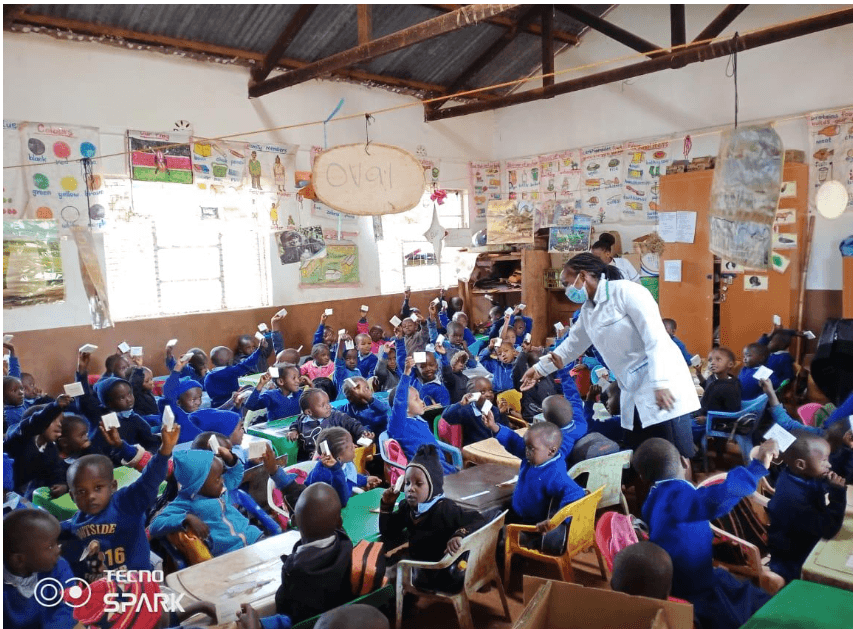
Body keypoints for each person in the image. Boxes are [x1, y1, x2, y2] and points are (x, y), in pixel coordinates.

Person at [520, 253, 698, 459]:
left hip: (662, 384)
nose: (566, 289)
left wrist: (660, 383)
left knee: (676, 456)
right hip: (633, 389)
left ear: (583, 276)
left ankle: (684, 491)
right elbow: (571, 346)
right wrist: (539, 370)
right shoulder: (588, 310)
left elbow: (655, 339)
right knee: (642, 455)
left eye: (567, 283)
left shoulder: (628, 293)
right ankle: (651, 491)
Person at [633, 437, 776, 629]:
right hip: (693, 583)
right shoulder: (677, 497)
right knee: (747, 610)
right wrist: (757, 466)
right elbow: (716, 499)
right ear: (685, 462)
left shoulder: (654, 497)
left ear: (643, 478)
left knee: (742, 593)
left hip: (684, 573)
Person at [60, 422, 180, 582]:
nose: (90, 496)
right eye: (81, 492)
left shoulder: (126, 502)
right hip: (102, 588)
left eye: (98, 488)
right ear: (72, 496)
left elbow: (150, 479)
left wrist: (164, 451)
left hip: (138, 584)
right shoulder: (76, 521)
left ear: (113, 487)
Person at [380, 444, 486, 592]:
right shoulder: (407, 507)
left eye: (419, 484)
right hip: (419, 562)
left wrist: (459, 534)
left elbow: (479, 519)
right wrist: (386, 505)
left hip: (440, 570)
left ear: (433, 487)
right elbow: (389, 532)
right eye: (407, 483)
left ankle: (400, 605)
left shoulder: (445, 509)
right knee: (384, 563)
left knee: (388, 572)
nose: (411, 488)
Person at [482, 414, 584, 552]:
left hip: (533, 526)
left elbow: (576, 493)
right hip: (519, 512)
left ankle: (515, 563)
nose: (526, 451)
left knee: (499, 543)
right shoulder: (534, 456)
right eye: (526, 447)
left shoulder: (555, 473)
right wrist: (495, 427)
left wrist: (554, 520)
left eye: (531, 448)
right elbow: (514, 441)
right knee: (487, 518)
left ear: (551, 451)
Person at [149, 445, 262, 557]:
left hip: (253, 535)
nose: (222, 480)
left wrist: (231, 459)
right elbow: (155, 525)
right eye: (217, 478)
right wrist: (186, 518)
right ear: (198, 483)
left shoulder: (219, 489)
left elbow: (236, 475)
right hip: (229, 552)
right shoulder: (185, 502)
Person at [767, 433, 847, 583]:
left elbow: (827, 477)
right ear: (801, 464)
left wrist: (847, 449)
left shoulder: (798, 474)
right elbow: (829, 530)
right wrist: (838, 495)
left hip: (806, 540)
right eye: (824, 461)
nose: (829, 465)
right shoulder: (794, 499)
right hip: (794, 562)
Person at [274, 482, 354, 623]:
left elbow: (281, 607)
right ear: (340, 522)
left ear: (294, 521)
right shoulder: (346, 545)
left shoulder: (292, 570)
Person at [4, 509, 77, 629]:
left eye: (56, 543)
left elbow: (70, 605)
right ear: (19, 560)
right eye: (50, 546)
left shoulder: (58, 565)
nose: (58, 550)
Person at [388, 358, 455, 474]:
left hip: (441, 466)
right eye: (416, 399)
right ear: (405, 407)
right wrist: (406, 373)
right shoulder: (399, 425)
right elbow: (399, 401)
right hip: (425, 472)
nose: (422, 402)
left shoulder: (419, 421)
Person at [4, 396, 72, 498]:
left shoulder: (50, 449)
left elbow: (56, 471)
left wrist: (62, 485)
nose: (59, 425)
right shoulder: (20, 437)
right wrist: (54, 407)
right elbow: (33, 424)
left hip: (14, 494)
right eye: (53, 420)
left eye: (61, 421)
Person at [287, 388, 371, 462]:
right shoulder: (302, 420)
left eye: (328, 402)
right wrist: (293, 430)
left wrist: (363, 433)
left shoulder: (336, 416)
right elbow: (295, 423)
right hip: (312, 459)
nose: (328, 406)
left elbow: (353, 424)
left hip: (335, 456)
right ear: (309, 412)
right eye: (323, 405)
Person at [305, 427, 381, 506]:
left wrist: (365, 480)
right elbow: (342, 500)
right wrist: (337, 470)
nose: (354, 446)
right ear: (339, 458)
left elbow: (348, 479)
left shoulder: (343, 464)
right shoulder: (324, 474)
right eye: (350, 447)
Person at [442, 377, 508, 446]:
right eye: (483, 392)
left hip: (493, 446)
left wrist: (502, 414)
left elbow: (504, 431)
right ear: (472, 395)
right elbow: (446, 416)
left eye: (491, 391)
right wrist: (460, 404)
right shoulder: (466, 411)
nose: (489, 394)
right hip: (475, 449)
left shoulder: (494, 410)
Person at [204, 340, 267, 407]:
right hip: (232, 404)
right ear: (229, 361)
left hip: (216, 405)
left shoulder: (208, 376)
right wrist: (259, 350)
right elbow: (248, 363)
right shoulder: (231, 371)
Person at [394, 333, 450, 406]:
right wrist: (400, 340)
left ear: (436, 366)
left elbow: (445, 412)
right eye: (423, 367)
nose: (428, 369)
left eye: (431, 365)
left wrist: (444, 356)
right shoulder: (414, 380)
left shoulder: (439, 389)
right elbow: (402, 363)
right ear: (416, 368)